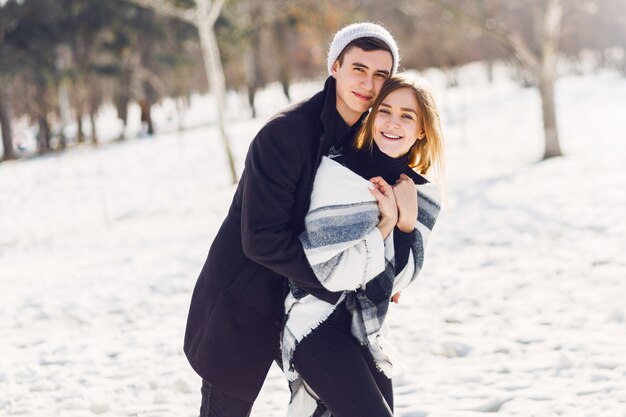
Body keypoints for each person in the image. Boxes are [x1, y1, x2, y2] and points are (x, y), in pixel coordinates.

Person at [183, 22, 400, 417]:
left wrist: (384, 274)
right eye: (358, 69)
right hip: (246, 300)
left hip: (318, 312)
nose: (368, 84)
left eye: (380, 75)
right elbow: (261, 239)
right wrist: (342, 277)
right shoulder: (284, 135)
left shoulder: (371, 141)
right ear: (334, 67)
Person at [281, 73, 446, 417]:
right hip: (315, 322)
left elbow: (398, 282)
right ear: (371, 116)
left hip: (368, 328)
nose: (392, 123)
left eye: (406, 115)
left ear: (421, 130)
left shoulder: (420, 194)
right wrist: (386, 224)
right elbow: (328, 270)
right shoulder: (338, 173)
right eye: (384, 110)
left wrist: (405, 223)